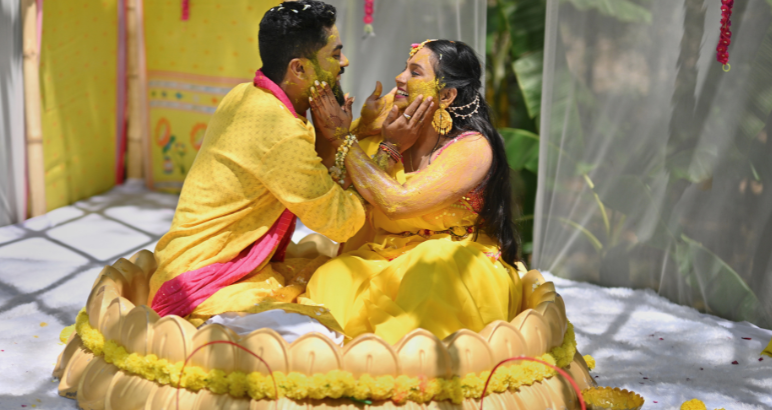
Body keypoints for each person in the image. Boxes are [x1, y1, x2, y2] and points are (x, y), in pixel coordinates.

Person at [146, 0, 367, 330]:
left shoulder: (244, 95)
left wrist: (342, 135)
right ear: (299, 69)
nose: (344, 62)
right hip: (207, 281)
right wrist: (384, 150)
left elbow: (311, 172)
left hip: (196, 262)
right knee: (326, 327)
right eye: (335, 54)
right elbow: (343, 223)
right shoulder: (279, 132)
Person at [304, 39, 524, 345]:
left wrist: (345, 137)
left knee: (429, 272)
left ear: (446, 95)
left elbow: (397, 203)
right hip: (383, 256)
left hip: (451, 259)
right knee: (333, 277)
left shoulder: (473, 148)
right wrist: (364, 131)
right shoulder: (388, 136)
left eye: (415, 72)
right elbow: (338, 190)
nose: (399, 78)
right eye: (405, 68)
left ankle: (407, 369)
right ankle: (335, 364)